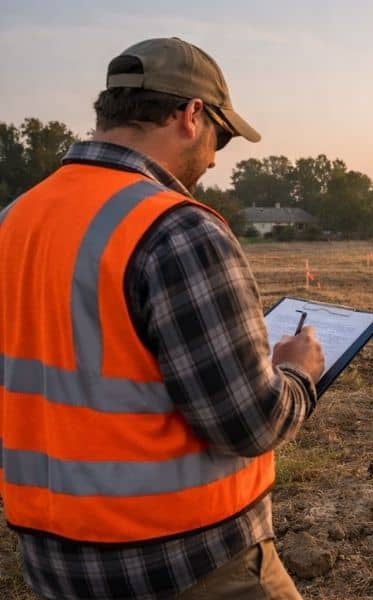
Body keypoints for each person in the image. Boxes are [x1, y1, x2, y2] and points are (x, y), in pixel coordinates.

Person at [0, 38, 324, 599]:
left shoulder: (15, 220)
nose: (217, 158)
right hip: (187, 562)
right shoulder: (176, 229)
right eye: (220, 137)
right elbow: (250, 423)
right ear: (191, 114)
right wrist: (297, 373)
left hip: (54, 563)